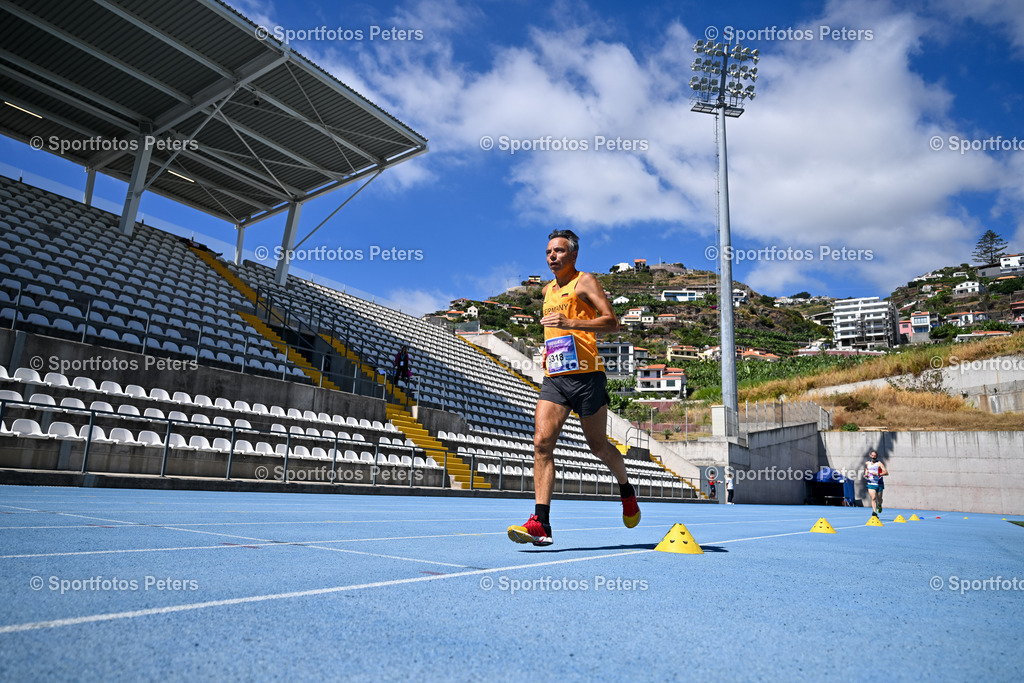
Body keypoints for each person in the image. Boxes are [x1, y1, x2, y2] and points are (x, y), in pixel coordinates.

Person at [507, 229, 640, 546]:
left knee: (598, 447)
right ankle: (541, 522)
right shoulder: (546, 291)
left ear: (573, 255)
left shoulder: (585, 282)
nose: (552, 256)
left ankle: (626, 489)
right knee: (541, 443)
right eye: (549, 251)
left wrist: (573, 324)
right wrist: (549, 353)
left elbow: (612, 322)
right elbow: (554, 333)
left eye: (559, 251)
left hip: (588, 377)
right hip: (555, 379)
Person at [864, 450, 888, 516]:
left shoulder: (879, 463)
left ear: (877, 456)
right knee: (873, 497)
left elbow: (886, 473)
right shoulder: (867, 463)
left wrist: (877, 473)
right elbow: (867, 469)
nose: (873, 457)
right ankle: (874, 512)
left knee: (879, 499)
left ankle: (879, 505)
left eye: (875, 456)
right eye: (872, 455)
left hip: (879, 483)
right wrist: (866, 474)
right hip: (871, 483)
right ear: (870, 456)